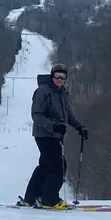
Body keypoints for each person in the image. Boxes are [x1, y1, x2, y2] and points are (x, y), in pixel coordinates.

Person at [19, 62, 89, 209]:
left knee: (45, 166)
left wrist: (79, 126)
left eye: (63, 77)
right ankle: (49, 200)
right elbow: (37, 115)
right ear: (52, 76)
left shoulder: (62, 92)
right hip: (44, 134)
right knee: (58, 167)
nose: (59, 79)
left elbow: (67, 114)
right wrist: (53, 126)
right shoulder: (43, 91)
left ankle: (31, 198)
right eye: (57, 76)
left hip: (55, 135)